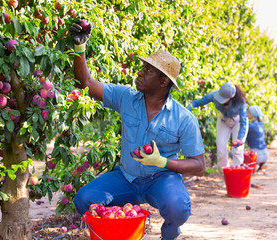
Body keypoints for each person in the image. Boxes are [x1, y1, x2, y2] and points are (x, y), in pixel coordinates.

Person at [69, 19, 206, 240]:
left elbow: (199, 166)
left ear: (163, 81)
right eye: (142, 68)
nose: (140, 73)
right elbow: (85, 82)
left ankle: (170, 232)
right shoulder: (126, 98)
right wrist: (80, 47)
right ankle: (119, 230)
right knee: (85, 199)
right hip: (126, 177)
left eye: (147, 70)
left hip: (161, 179)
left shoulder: (184, 118)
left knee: (177, 207)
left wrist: (162, 162)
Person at [186, 82, 248, 169]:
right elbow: (197, 103)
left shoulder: (241, 102)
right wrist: (186, 109)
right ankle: (226, 174)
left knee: (237, 150)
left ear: (231, 98)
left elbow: (243, 122)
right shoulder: (214, 95)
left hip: (237, 121)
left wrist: (240, 138)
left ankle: (238, 174)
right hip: (223, 119)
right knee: (221, 149)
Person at [247, 105, 269, 172]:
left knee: (249, 157)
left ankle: (255, 165)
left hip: (256, 155)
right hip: (265, 153)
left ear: (252, 114)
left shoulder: (250, 126)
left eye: (248, 112)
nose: (246, 114)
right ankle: (263, 164)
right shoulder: (261, 124)